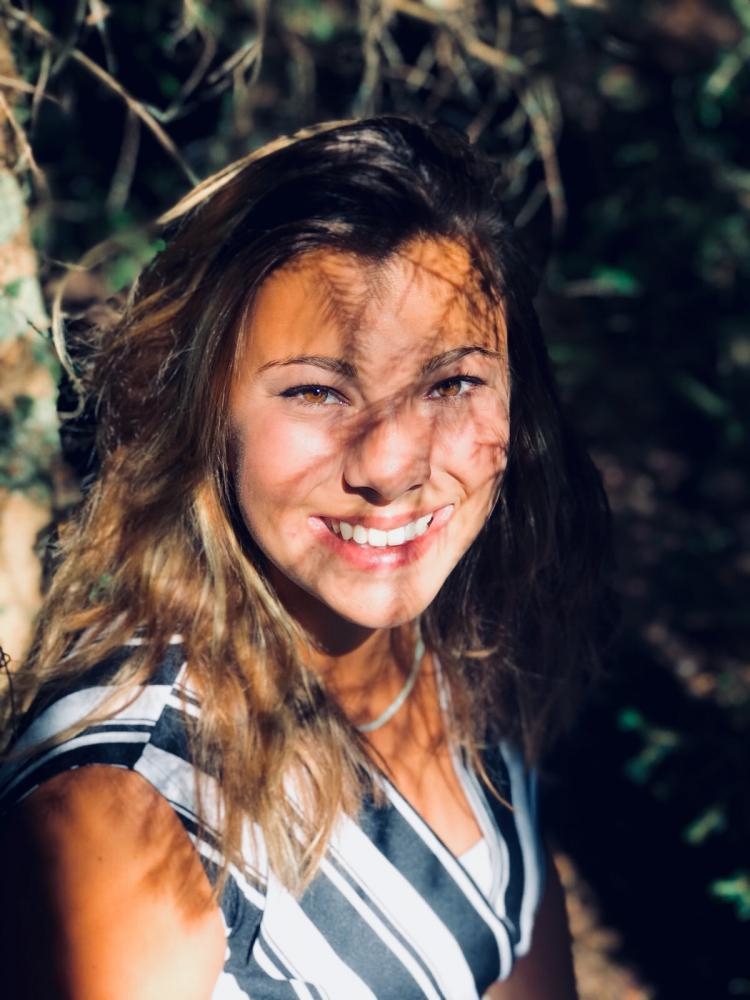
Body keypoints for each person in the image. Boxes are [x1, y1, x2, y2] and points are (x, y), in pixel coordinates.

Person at [0, 116, 610, 998]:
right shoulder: (124, 823)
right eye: (318, 391)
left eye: (451, 383)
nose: (391, 464)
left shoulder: (452, 653)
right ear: (204, 408)